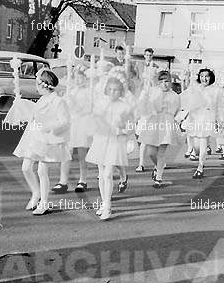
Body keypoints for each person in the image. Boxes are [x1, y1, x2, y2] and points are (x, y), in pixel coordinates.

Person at [13, 69, 71, 215]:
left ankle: (44, 203)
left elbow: (65, 121)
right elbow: (35, 115)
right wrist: (21, 107)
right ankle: (36, 193)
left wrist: (49, 127)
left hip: (48, 139)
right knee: (26, 167)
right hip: (34, 137)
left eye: (37, 84)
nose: (36, 87)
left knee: (42, 170)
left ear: (44, 85)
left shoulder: (58, 101)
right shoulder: (42, 99)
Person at [86, 74, 134, 220]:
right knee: (101, 173)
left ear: (121, 91)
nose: (113, 93)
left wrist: (122, 130)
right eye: (111, 89)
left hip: (115, 142)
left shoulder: (125, 106)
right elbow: (94, 120)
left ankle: (108, 206)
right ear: (106, 89)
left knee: (108, 173)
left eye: (117, 90)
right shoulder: (101, 103)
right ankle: (104, 201)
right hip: (101, 140)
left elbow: (132, 126)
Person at [138, 71, 181, 187]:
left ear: (171, 82)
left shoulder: (175, 96)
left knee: (161, 152)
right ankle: (158, 166)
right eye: (161, 81)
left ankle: (159, 177)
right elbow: (145, 107)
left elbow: (177, 110)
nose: (164, 84)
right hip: (154, 122)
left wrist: (171, 119)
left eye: (167, 81)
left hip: (167, 123)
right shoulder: (153, 93)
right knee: (151, 152)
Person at [55, 64, 93, 193]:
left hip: (82, 124)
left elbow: (86, 108)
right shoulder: (70, 91)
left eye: (81, 78)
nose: (78, 80)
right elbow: (65, 107)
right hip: (71, 124)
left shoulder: (88, 92)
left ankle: (83, 180)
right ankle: (63, 181)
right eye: (76, 78)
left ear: (86, 79)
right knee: (67, 153)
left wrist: (74, 102)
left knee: (82, 154)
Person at [184, 68, 221, 179]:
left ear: (211, 78)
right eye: (202, 76)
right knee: (196, 145)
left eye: (207, 76)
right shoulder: (195, 88)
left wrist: (218, 120)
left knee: (203, 141)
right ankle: (201, 153)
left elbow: (219, 106)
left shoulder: (215, 90)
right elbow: (187, 101)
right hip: (195, 117)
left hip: (207, 118)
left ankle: (200, 167)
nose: (204, 78)